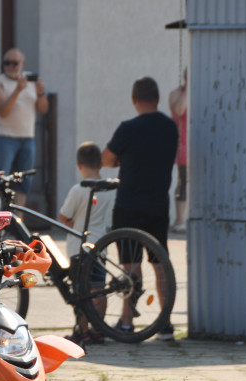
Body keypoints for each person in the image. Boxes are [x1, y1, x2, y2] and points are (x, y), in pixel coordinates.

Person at [102, 76, 179, 341]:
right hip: (158, 205)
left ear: (134, 100)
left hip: (129, 205)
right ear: (157, 99)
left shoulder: (128, 128)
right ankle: (166, 324)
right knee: (161, 265)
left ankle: (126, 323)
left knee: (130, 267)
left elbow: (106, 159)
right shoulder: (170, 127)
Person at [58, 142, 115, 347]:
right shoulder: (109, 187)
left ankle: (81, 332)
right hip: (100, 244)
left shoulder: (79, 189)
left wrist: (72, 222)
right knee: (98, 288)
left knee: (80, 290)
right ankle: (98, 329)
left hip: (78, 247)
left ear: (79, 164)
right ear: (100, 164)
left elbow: (64, 216)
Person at [0, 48, 48, 206]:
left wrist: (41, 93)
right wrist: (17, 90)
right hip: (6, 138)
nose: (10, 66)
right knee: (0, 180)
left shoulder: (30, 81)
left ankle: (18, 219)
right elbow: (3, 111)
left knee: (24, 180)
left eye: (14, 63)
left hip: (27, 138)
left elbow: (43, 109)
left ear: (23, 64)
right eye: (6, 63)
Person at [169, 69, 188, 233]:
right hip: (183, 144)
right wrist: (188, 89)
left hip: (196, 142)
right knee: (183, 181)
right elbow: (180, 110)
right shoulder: (176, 94)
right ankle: (179, 219)